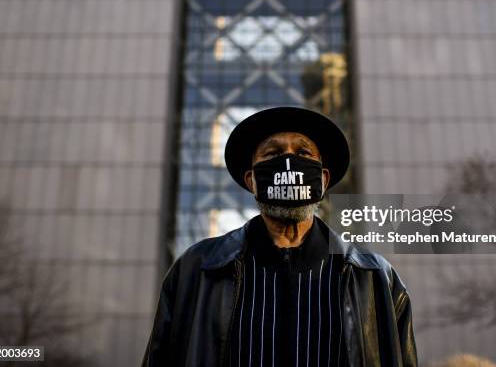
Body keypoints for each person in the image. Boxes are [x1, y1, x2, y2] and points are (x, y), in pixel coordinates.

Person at [142, 106, 417, 367]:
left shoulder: (374, 277)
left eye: (303, 152)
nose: (288, 161)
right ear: (252, 181)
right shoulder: (196, 269)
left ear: (322, 179)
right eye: (272, 153)